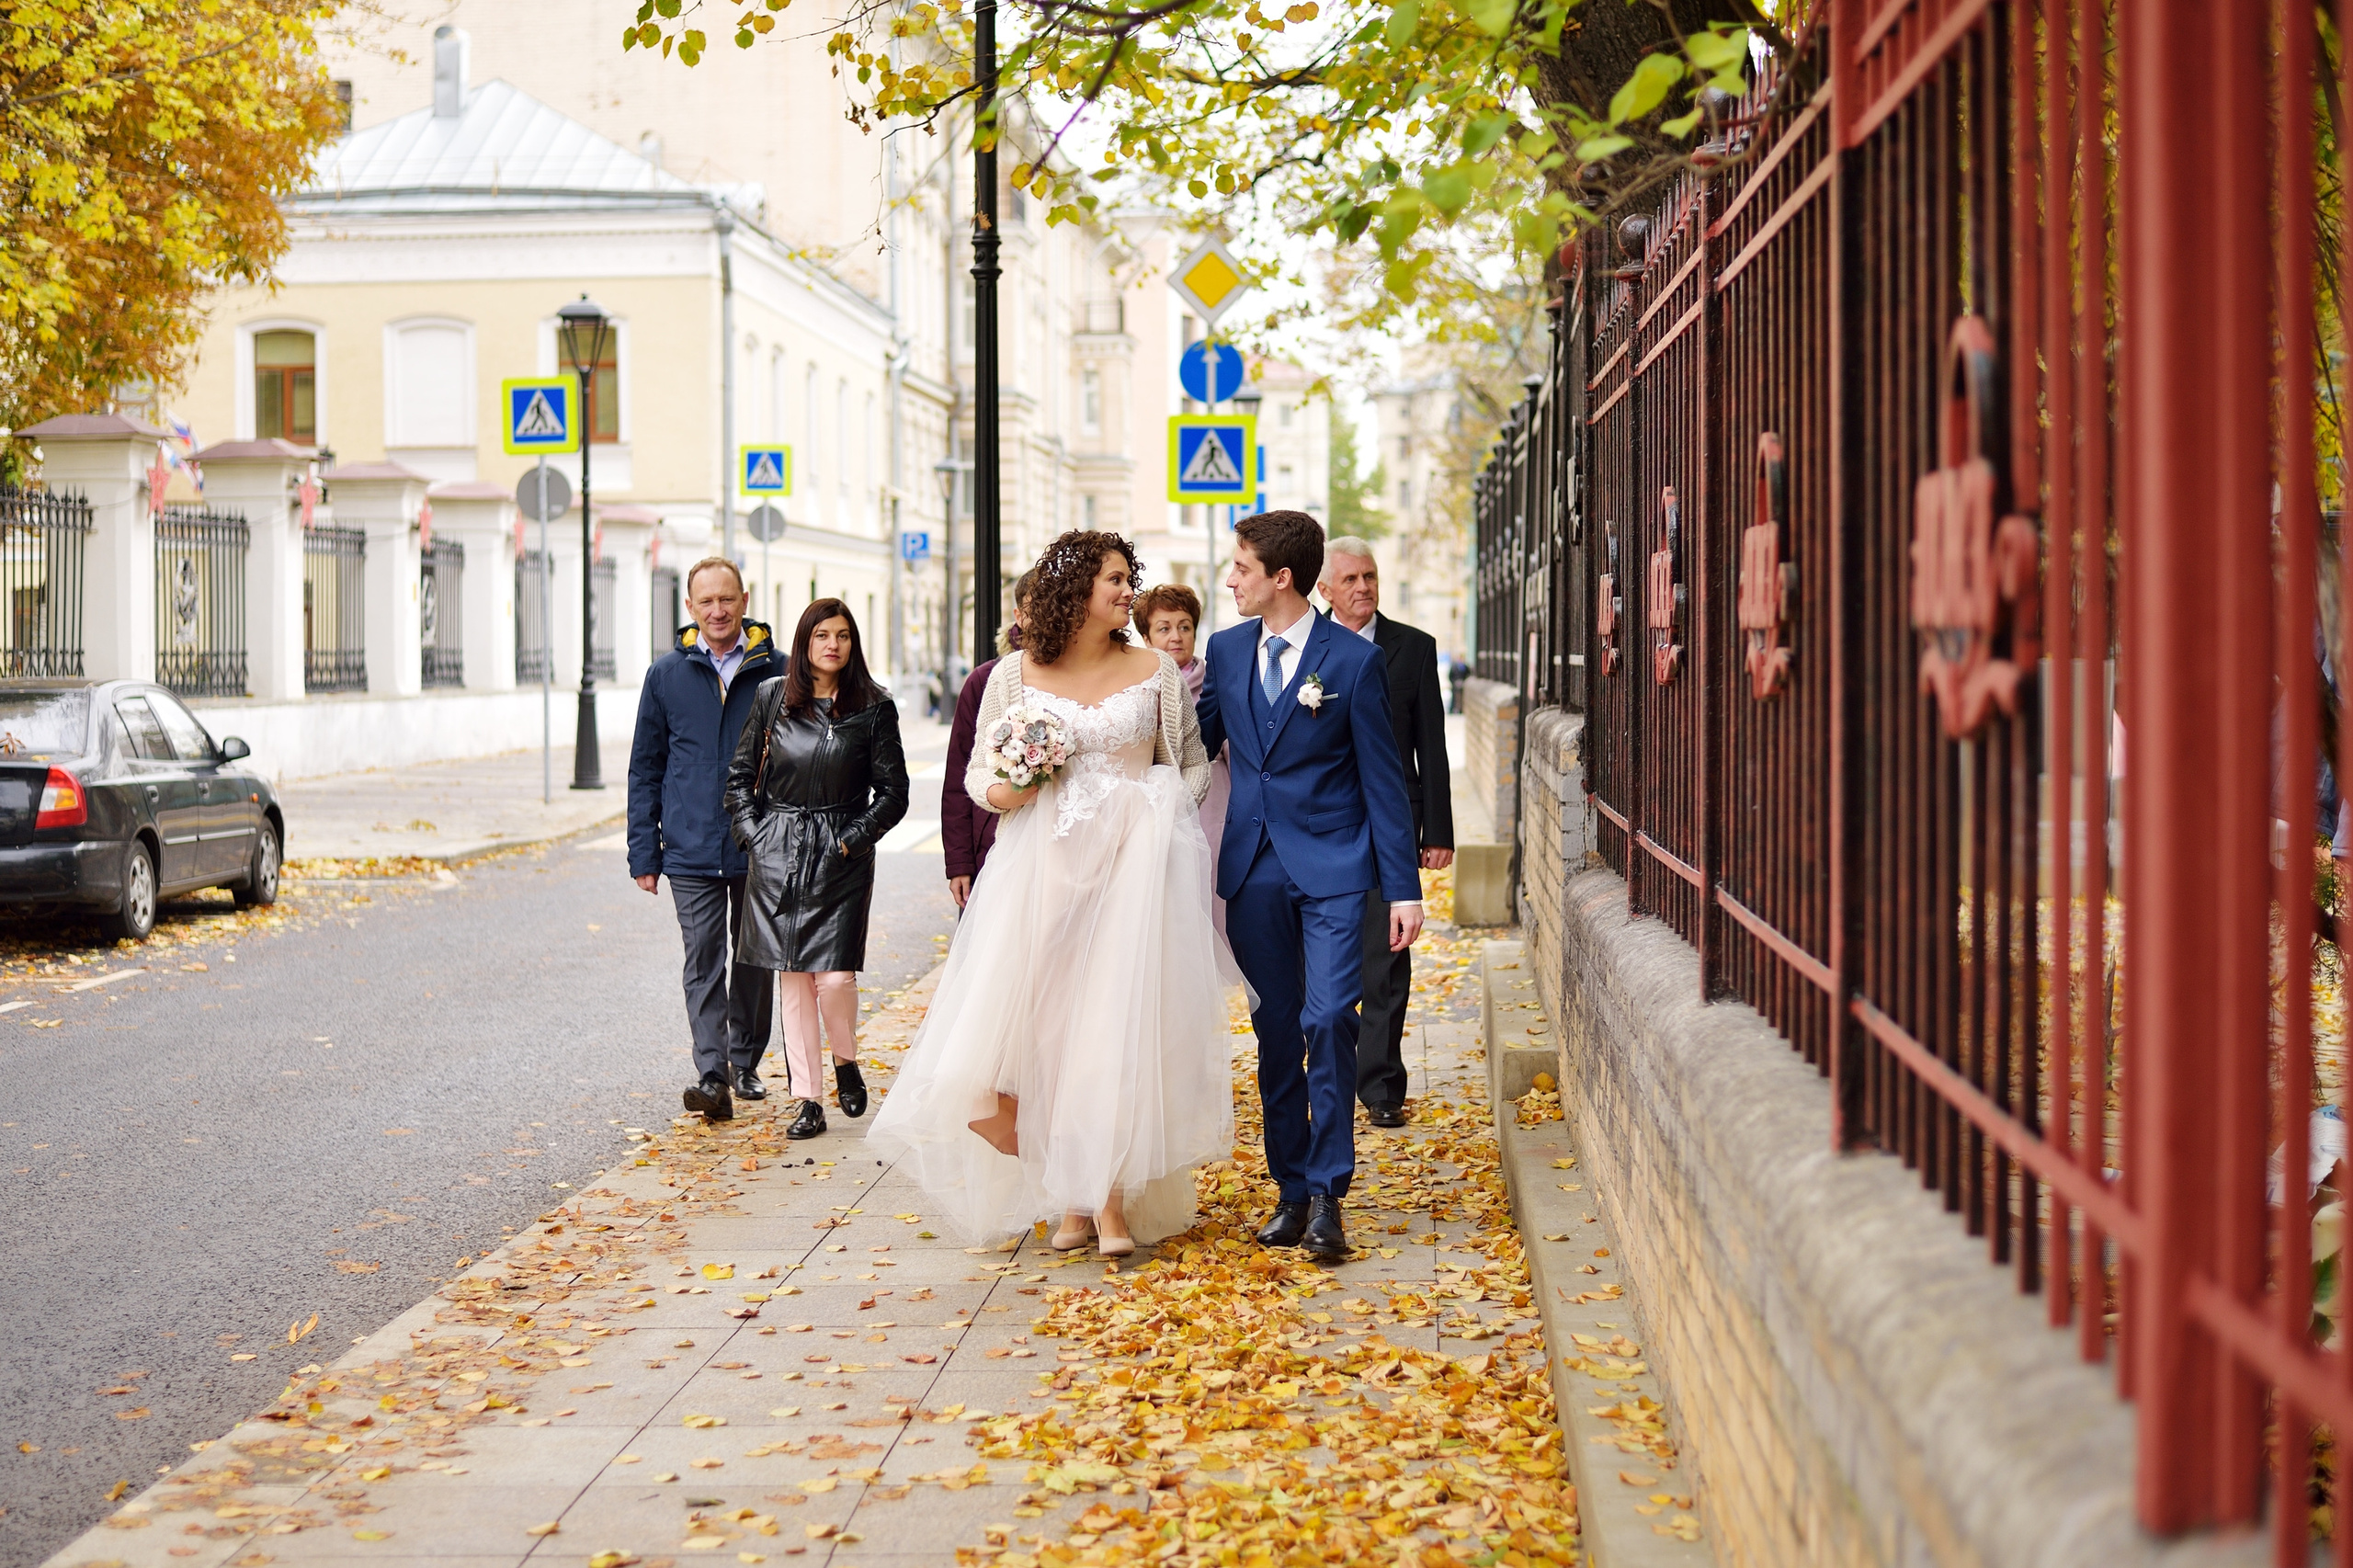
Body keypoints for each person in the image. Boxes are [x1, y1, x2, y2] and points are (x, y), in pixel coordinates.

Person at [869, 530, 1233, 1257]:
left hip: (1133, 880)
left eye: (1130, 578)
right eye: (1114, 579)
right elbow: (981, 779)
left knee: (1115, 1035)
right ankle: (1070, 1198)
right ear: (1077, 590)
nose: (1128, 590)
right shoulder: (1014, 676)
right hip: (1044, 878)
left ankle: (1109, 1207)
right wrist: (1021, 785)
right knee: (1045, 1040)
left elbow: (1189, 764)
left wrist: (1155, 816)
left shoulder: (1156, 670)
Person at [1195, 511, 1422, 1262]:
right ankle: (1289, 1190)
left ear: (1280, 577)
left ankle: (1329, 1192)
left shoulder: (1350, 663)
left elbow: (1385, 784)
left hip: (1333, 869)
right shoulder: (1226, 653)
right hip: (1252, 870)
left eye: (1241, 567)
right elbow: (1184, 738)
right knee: (1276, 1031)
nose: (1230, 580)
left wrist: (1403, 889)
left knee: (1329, 1018)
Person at [725, 599, 909, 1140]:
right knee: (793, 980)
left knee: (833, 978)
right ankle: (807, 1098)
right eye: (822, 634)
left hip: (839, 854)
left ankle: (846, 1059)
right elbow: (738, 778)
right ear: (805, 641)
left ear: (854, 644)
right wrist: (755, 836)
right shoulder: (771, 697)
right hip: (778, 851)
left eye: (844, 635)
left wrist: (852, 839)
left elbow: (894, 792)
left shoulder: (874, 706)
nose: (833, 644)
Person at [629, 558, 781, 1123]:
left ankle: (744, 1062)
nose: (717, 611)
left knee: (754, 960)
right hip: (690, 847)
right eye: (705, 602)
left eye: (726, 599)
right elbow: (645, 767)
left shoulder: (778, 671)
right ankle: (712, 1074)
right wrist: (644, 852)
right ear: (690, 609)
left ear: (744, 599)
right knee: (703, 958)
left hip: (758, 845)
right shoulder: (666, 675)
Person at [1318, 538, 1453, 1128]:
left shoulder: (1414, 649)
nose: (1363, 588)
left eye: (1369, 576)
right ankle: (1327, 1075)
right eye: (1348, 579)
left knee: (1387, 956)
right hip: (1321, 826)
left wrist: (1439, 828)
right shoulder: (1305, 649)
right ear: (1324, 590)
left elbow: (1433, 746)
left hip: (1389, 827)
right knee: (1322, 964)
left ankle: (1380, 1087)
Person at [1132, 583, 1230, 922]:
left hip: (1215, 804)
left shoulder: (1219, 683)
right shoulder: (1137, 688)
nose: (1176, 636)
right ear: (1146, 638)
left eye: (1185, 627)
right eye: (1164, 628)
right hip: (1155, 810)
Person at [942, 571, 1035, 910]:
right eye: (1033, 608)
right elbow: (958, 776)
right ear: (1019, 616)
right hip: (991, 843)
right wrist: (959, 863)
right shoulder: (985, 680)